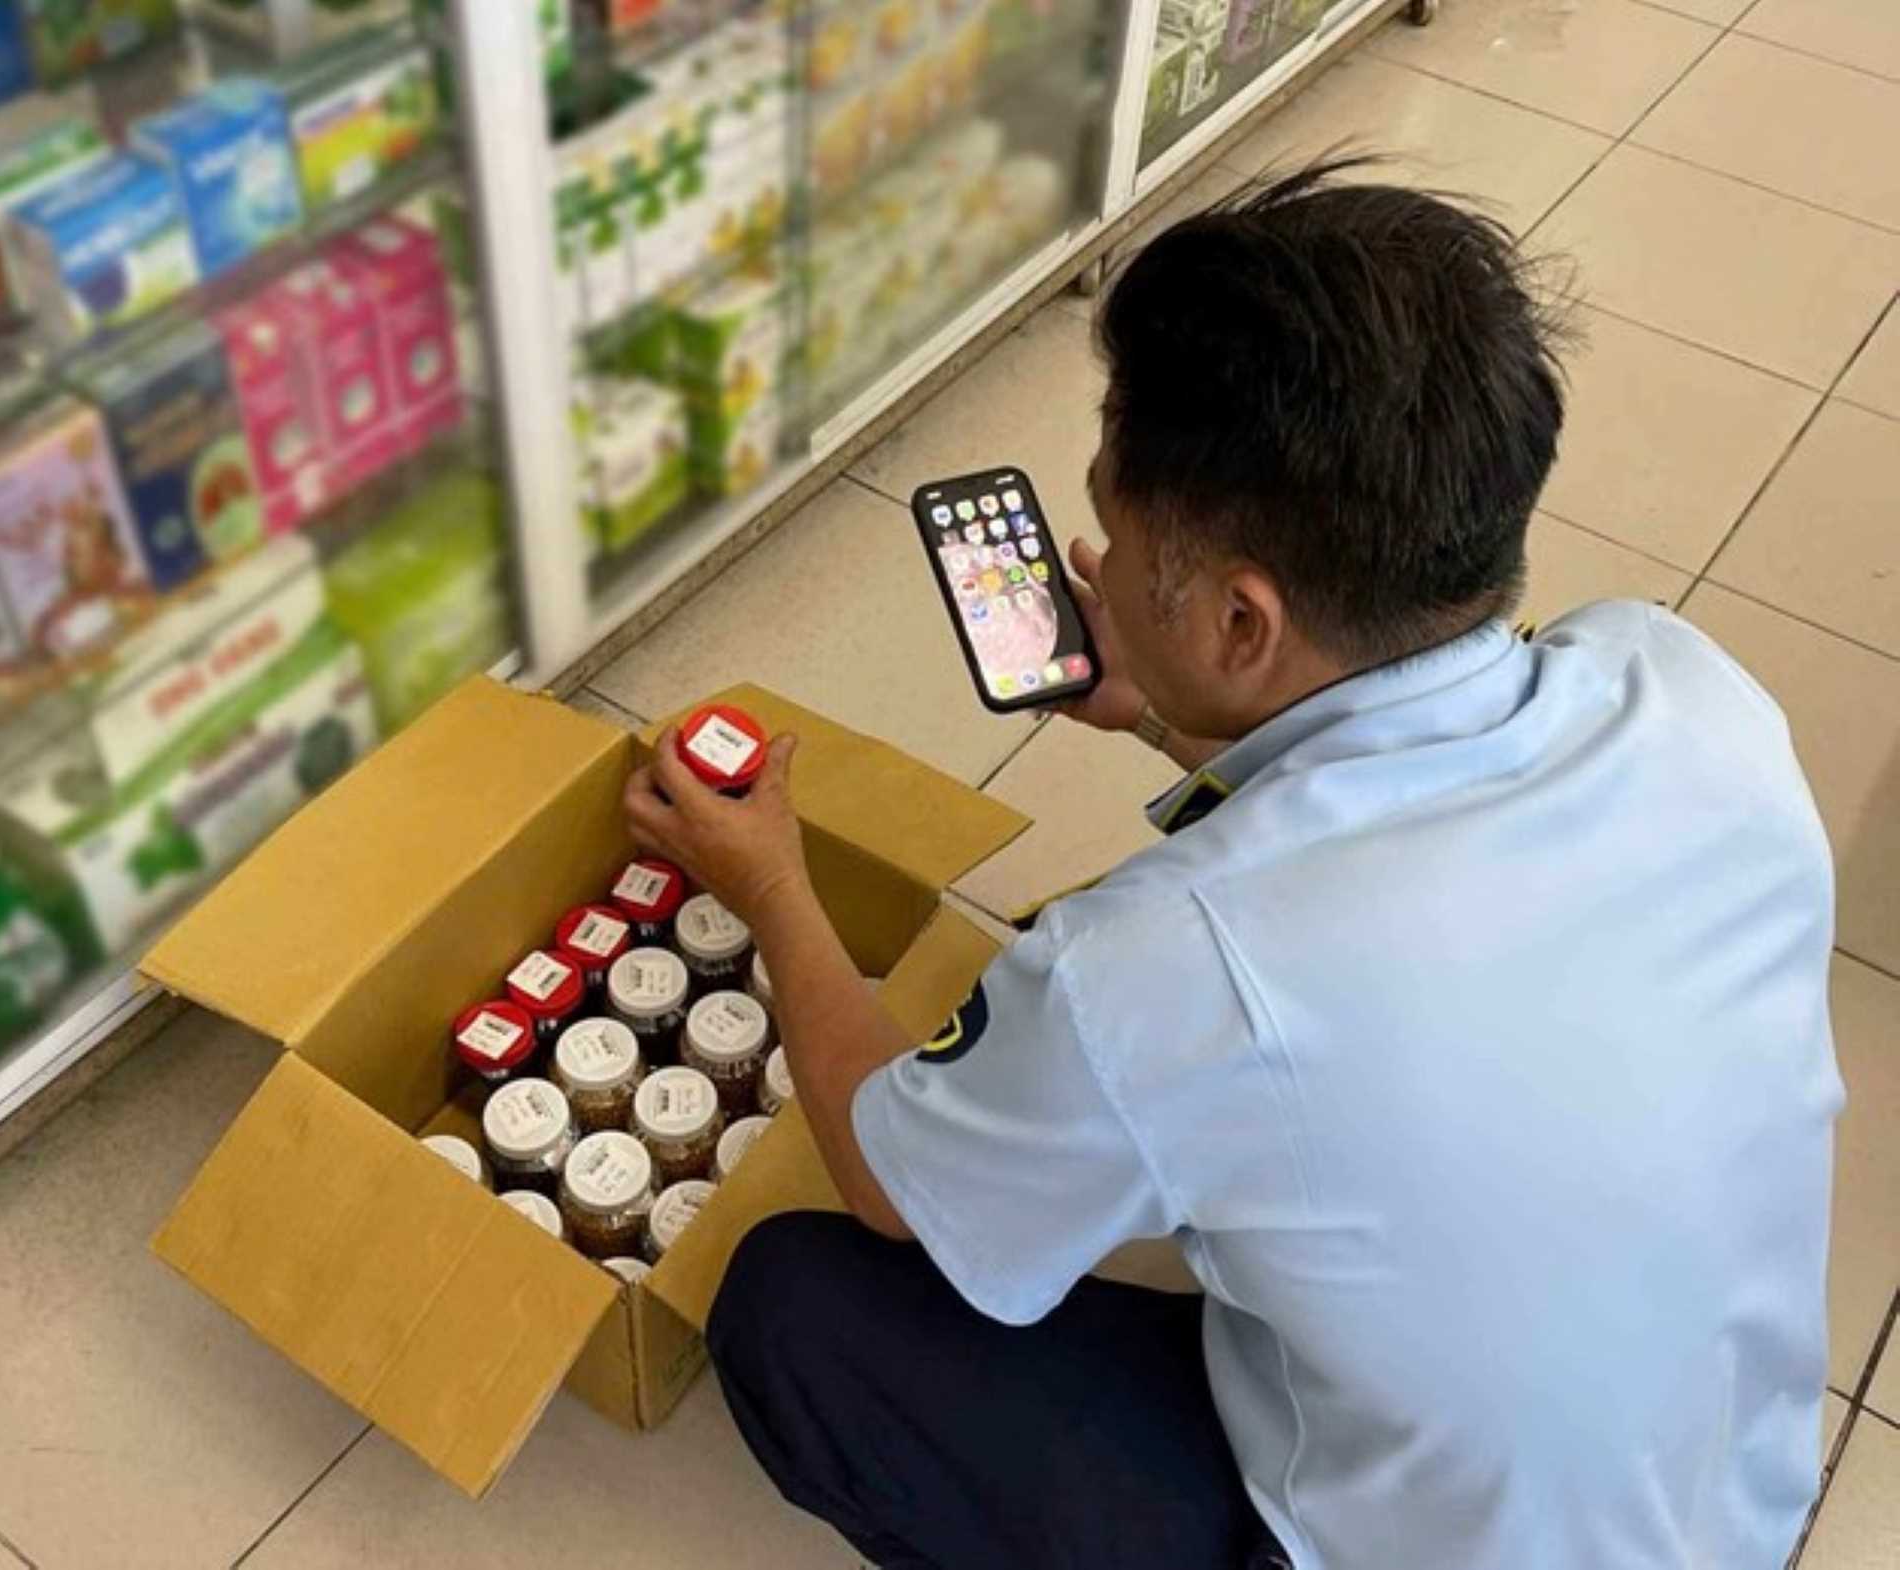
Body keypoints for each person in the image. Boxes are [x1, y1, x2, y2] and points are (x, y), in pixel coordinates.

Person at [621, 163, 1841, 1570]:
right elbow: (1385, 797)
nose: (1105, 568)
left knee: (794, 1306)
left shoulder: (1158, 969)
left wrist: (771, 882)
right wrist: (1169, 705)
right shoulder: (1684, 687)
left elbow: (897, 1184)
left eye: (1125, 538)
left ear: (1245, 621)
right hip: (1725, 1499)